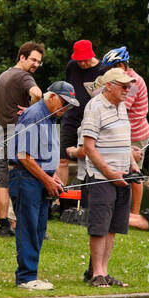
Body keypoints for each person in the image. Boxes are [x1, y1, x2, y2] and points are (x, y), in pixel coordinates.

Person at [8, 81, 77, 290]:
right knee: (29, 227)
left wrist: (53, 176)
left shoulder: (50, 116)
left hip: (38, 178)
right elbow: (24, 156)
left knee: (38, 228)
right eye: (64, 103)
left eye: (70, 106)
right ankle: (26, 278)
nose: (66, 109)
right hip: (26, 178)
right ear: (52, 97)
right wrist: (47, 180)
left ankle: (30, 274)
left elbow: (42, 154)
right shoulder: (34, 115)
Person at [79, 67, 139, 287]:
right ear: (109, 86)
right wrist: (109, 173)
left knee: (113, 226)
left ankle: (104, 271)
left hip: (122, 176)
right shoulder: (95, 107)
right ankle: (96, 273)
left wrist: (133, 165)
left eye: (128, 86)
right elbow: (88, 147)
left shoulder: (121, 106)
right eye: (123, 86)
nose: (127, 90)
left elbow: (125, 141)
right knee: (99, 226)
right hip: (101, 177)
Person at [99, 47, 149, 234]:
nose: (107, 72)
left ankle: (134, 214)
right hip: (123, 133)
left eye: (110, 68)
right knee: (124, 171)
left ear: (121, 66)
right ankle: (125, 211)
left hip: (136, 134)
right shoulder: (120, 79)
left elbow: (118, 106)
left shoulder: (132, 82)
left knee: (135, 173)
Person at [0, 41, 45, 237]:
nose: (36, 64)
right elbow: (37, 93)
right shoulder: (24, 76)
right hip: (20, 134)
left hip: (4, 132)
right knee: (28, 179)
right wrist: (32, 110)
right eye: (33, 60)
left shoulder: (3, 76)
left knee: (4, 180)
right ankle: (25, 224)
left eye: (39, 61)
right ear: (22, 57)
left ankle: (4, 224)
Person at [58, 39, 103, 188]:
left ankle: (88, 193)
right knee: (62, 159)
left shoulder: (102, 70)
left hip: (91, 121)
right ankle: (60, 194)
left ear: (92, 55)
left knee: (87, 157)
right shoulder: (71, 66)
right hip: (71, 118)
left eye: (85, 60)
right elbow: (67, 89)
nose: (82, 63)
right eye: (79, 61)